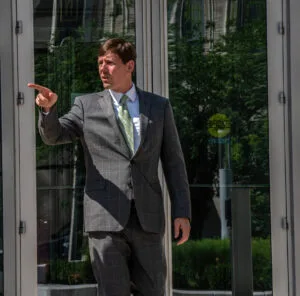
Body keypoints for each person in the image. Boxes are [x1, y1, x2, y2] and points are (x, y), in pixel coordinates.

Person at [28, 38, 191, 296]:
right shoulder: (86, 105)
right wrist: (48, 112)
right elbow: (54, 136)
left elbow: (174, 162)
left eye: (110, 63)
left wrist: (182, 211)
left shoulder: (158, 106)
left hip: (147, 218)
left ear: (130, 66)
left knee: (154, 290)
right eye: (100, 63)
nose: (103, 68)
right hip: (104, 220)